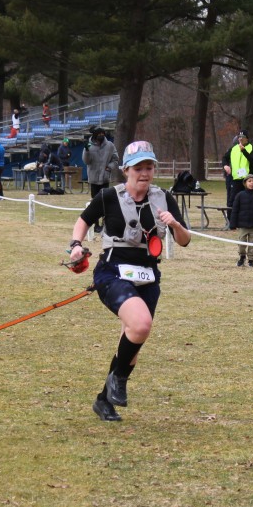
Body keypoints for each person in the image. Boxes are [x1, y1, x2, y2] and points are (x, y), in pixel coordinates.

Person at [67, 140, 191, 421]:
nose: (144, 173)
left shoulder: (163, 197)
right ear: (125, 170)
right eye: (138, 168)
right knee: (141, 325)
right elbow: (83, 220)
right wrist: (76, 245)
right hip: (113, 272)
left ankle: (103, 400)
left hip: (148, 276)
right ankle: (119, 379)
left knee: (132, 341)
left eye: (149, 167)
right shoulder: (109, 196)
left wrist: (174, 224)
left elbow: (184, 240)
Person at [228, 174, 253, 267]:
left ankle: (251, 259)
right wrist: (232, 224)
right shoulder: (240, 195)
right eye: (249, 181)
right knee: (241, 242)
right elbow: (235, 210)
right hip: (242, 225)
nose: (252, 183)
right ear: (245, 183)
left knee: (252, 244)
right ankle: (242, 257)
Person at [222, 131, 253, 208]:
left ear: (247, 139)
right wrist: (225, 165)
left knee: (248, 201)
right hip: (236, 179)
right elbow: (224, 158)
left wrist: (244, 150)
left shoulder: (251, 147)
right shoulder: (234, 148)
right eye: (239, 137)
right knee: (232, 202)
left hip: (248, 180)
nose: (240, 139)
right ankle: (230, 216)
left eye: (242, 137)